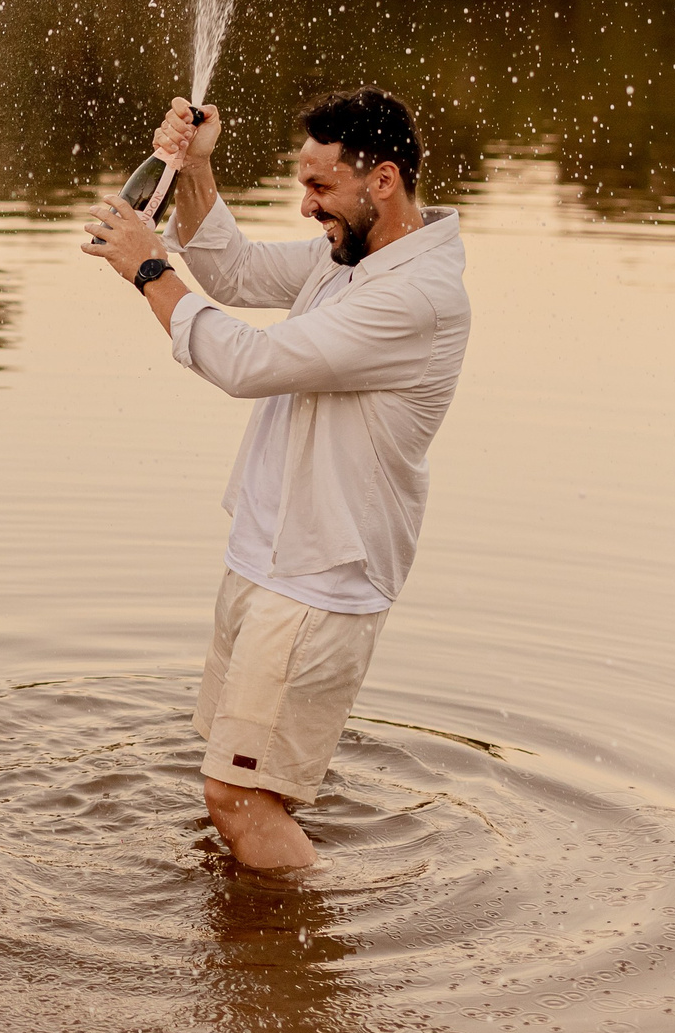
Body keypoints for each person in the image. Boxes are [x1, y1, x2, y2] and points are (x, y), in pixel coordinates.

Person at [82, 88, 470, 871]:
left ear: (383, 180)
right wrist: (197, 168)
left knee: (238, 797)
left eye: (320, 186)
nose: (306, 205)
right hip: (266, 557)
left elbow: (250, 363)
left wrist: (149, 267)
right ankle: (252, 936)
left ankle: (313, 940)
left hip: (319, 582)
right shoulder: (353, 255)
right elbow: (234, 268)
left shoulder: (415, 296)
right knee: (238, 786)